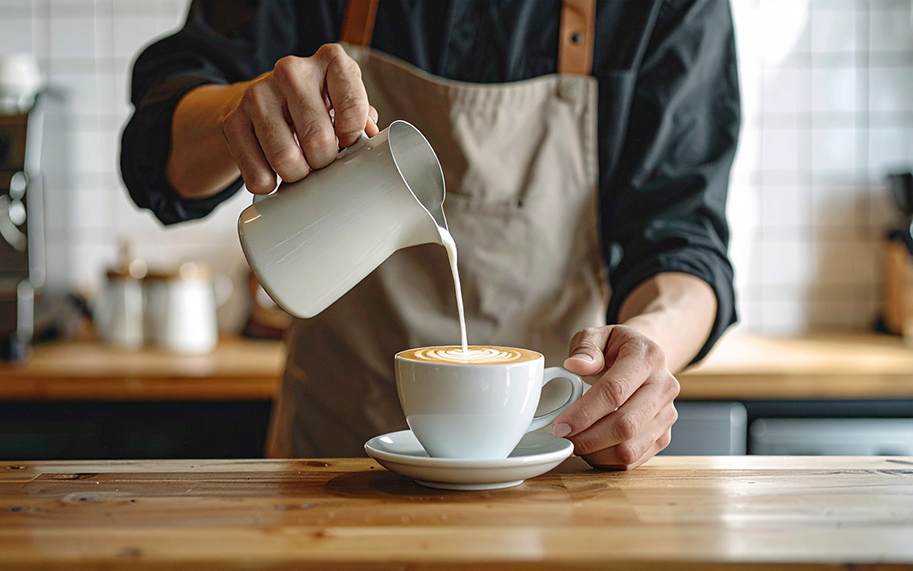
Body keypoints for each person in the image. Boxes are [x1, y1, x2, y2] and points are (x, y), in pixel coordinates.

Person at [121, 0, 740, 469]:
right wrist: (240, 111)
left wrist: (645, 351)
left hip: (554, 482)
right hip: (331, 475)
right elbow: (155, 147)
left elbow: (682, 238)